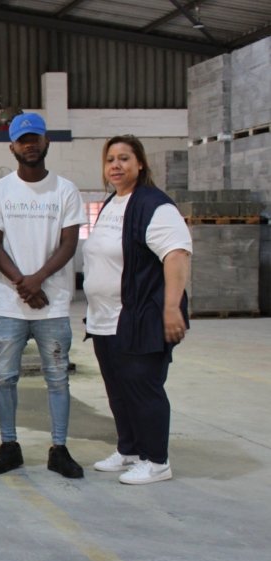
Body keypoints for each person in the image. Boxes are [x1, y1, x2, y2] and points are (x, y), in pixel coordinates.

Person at [0, 113, 88, 479]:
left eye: (35, 138)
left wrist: (37, 280)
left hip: (52, 305)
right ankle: (9, 446)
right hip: (11, 306)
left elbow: (69, 243)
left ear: (46, 142)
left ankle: (59, 449)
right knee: (4, 377)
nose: (29, 145)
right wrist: (22, 284)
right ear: (11, 146)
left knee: (57, 378)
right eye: (22, 140)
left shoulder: (65, 190)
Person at [83, 135, 192, 485]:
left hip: (140, 315)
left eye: (124, 158)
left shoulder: (154, 205)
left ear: (140, 163)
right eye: (110, 159)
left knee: (144, 389)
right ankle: (129, 449)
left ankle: (157, 461)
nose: (116, 165)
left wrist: (171, 308)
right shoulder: (113, 203)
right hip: (105, 318)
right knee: (119, 390)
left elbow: (176, 254)